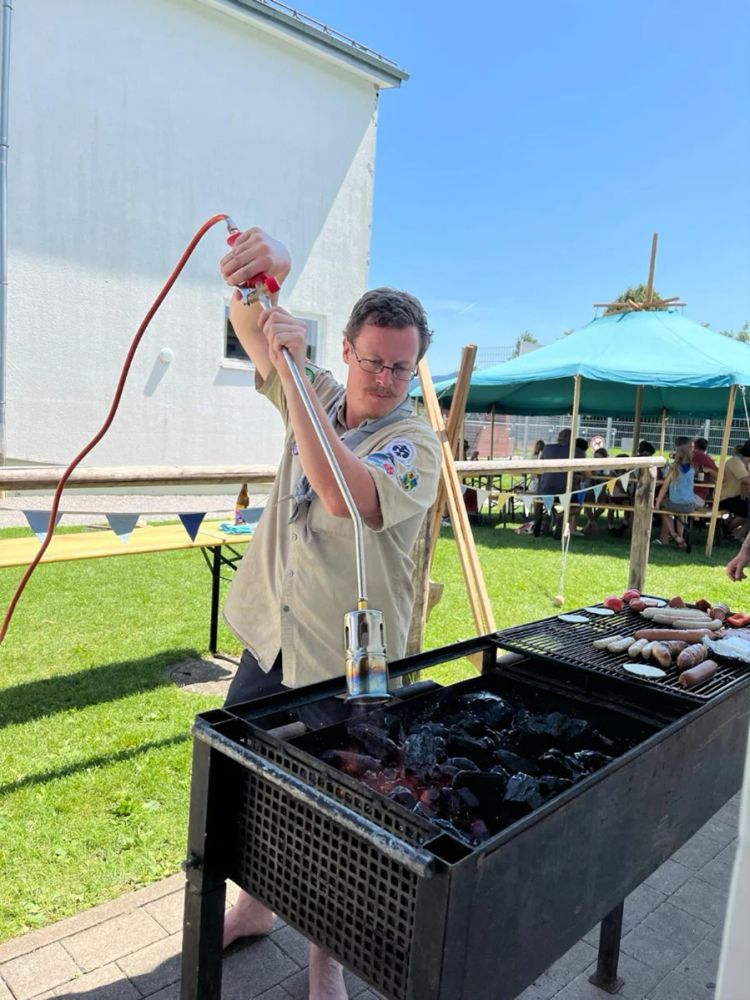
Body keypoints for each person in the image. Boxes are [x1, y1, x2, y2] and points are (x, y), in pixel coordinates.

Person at [218, 227, 441, 999]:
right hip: (274, 631)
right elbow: (253, 331)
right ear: (344, 348)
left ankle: (326, 960)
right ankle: (252, 907)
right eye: (372, 359)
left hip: (359, 655)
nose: (383, 378)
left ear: (415, 370)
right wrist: (261, 277)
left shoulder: (416, 441)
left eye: (400, 367)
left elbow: (344, 490)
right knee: (241, 781)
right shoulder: (310, 384)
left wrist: (289, 364)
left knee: (345, 811)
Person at [654, 442, 705, 548]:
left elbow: (664, 488)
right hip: (690, 505)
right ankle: (680, 538)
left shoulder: (673, 469)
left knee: (663, 510)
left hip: (674, 504)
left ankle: (673, 534)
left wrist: (658, 502)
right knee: (681, 514)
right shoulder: (692, 469)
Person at [719, 439, 750, 539]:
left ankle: (736, 534)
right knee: (747, 511)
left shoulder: (745, 462)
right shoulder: (735, 462)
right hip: (725, 498)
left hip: (736, 497)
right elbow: (746, 480)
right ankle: (725, 529)